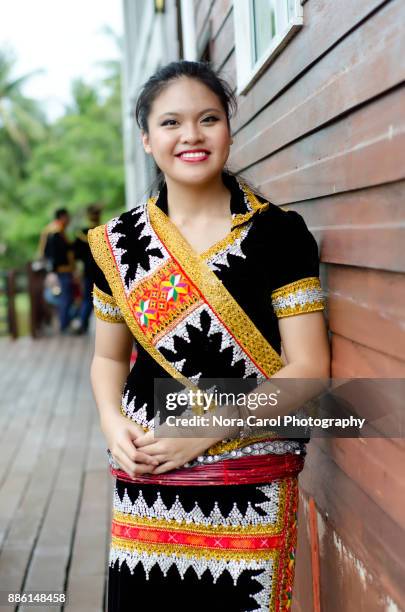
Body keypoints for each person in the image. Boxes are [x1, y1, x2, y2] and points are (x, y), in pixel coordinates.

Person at [88, 61, 330, 611]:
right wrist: (110, 421)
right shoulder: (118, 244)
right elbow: (108, 358)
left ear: (228, 129)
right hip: (146, 481)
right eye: (171, 123)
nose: (191, 135)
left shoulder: (277, 235)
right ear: (147, 140)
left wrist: (201, 433)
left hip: (247, 479)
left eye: (208, 118)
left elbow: (311, 368)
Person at [43, 208, 75, 333]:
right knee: (65, 297)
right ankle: (64, 325)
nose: (69, 219)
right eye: (67, 216)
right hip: (61, 270)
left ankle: (64, 323)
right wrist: (52, 271)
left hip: (63, 270)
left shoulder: (59, 230)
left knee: (67, 297)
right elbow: (51, 253)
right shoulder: (54, 231)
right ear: (62, 217)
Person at [73, 203, 102, 334]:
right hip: (100, 271)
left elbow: (76, 254)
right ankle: (82, 324)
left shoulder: (83, 234)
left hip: (91, 271)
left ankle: (82, 324)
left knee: (87, 299)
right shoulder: (103, 230)